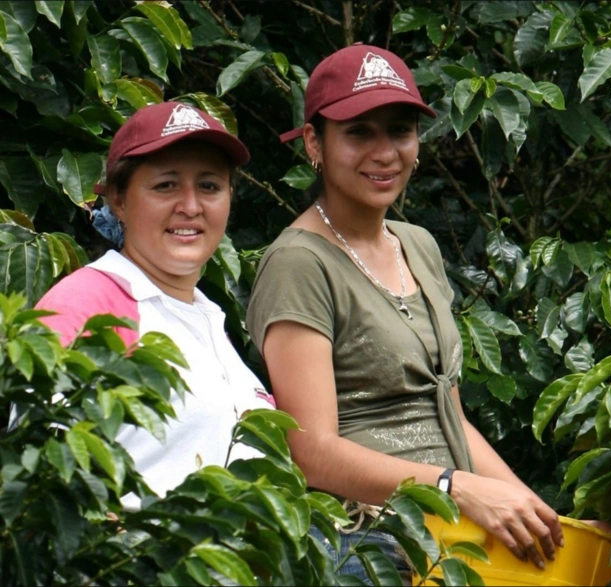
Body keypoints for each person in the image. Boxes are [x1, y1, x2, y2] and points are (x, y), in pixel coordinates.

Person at [246, 44, 564, 581]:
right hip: (363, 541)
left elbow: (452, 417)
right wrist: (453, 487)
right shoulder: (298, 263)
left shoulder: (416, 244)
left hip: (453, 533)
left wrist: (535, 515)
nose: (385, 153)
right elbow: (311, 452)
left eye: (400, 131)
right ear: (313, 143)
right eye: (359, 133)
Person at [35, 101, 276, 509]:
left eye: (209, 186)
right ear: (119, 200)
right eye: (166, 185)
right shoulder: (87, 303)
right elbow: (42, 478)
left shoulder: (206, 315)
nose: (191, 206)